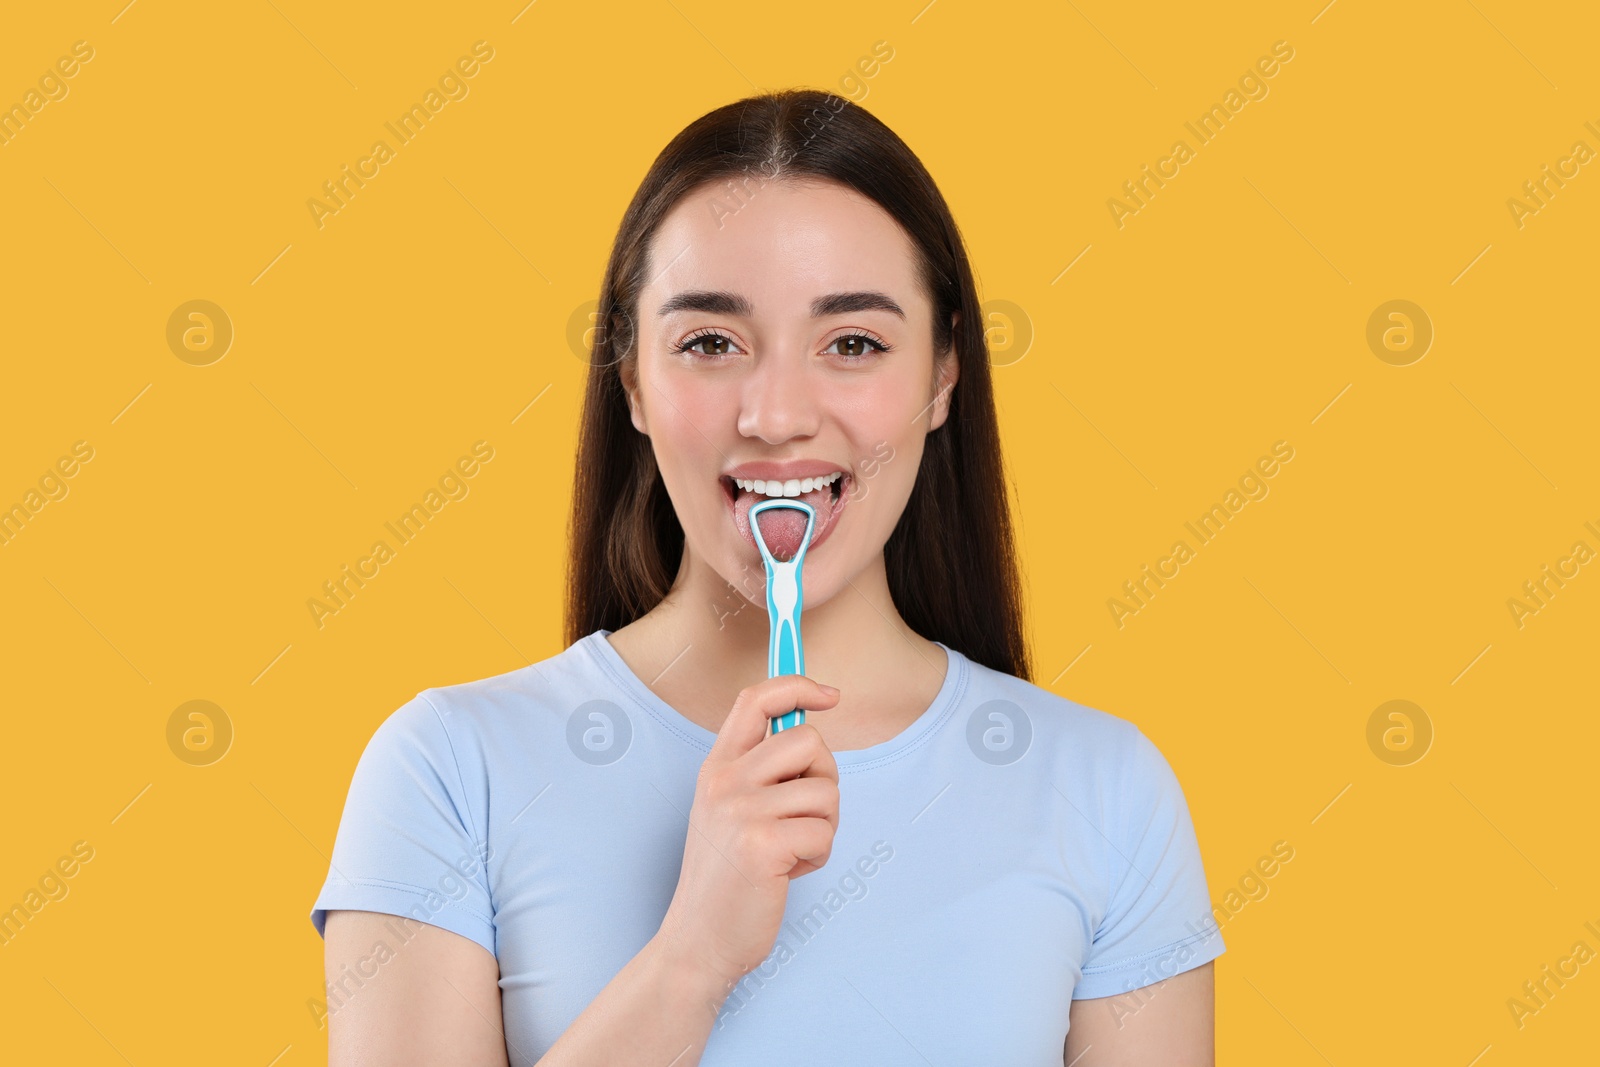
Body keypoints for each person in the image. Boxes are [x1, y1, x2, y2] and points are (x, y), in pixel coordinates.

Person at [310, 88, 1224, 1066]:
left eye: (854, 343)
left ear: (944, 373)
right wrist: (691, 958)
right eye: (710, 342)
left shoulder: (1107, 793)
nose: (778, 414)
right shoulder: (448, 774)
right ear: (631, 381)